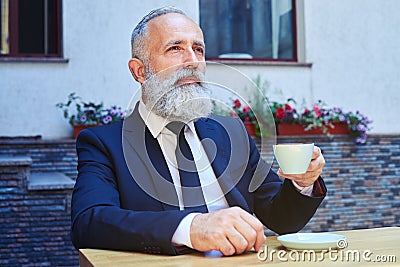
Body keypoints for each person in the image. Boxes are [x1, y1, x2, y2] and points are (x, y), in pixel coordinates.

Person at [71, 7, 326, 256]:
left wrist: (302, 184)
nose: (192, 61)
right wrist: (191, 228)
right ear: (139, 71)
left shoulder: (232, 132)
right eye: (175, 48)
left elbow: (282, 218)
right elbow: (89, 222)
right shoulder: (104, 144)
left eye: (198, 49)